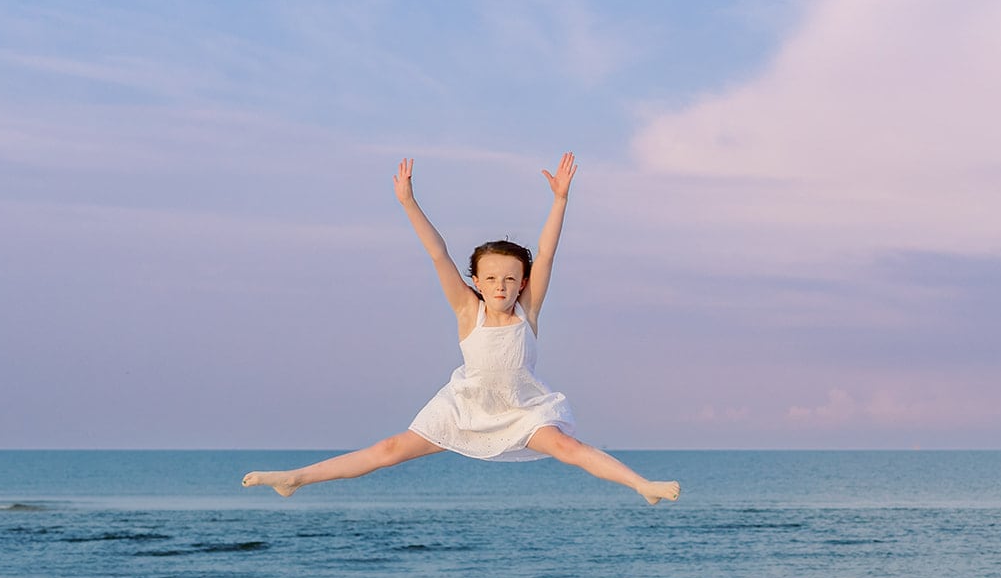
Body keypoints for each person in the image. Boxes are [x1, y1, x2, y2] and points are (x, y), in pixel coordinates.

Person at [242, 153, 681, 505]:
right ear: (476, 282)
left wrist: (560, 200)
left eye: (510, 278)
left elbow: (546, 254)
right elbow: (438, 254)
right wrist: (408, 203)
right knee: (390, 450)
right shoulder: (468, 312)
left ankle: (642, 485)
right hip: (464, 406)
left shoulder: (527, 311)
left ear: (522, 283)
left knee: (571, 449)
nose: (500, 286)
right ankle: (296, 477)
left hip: (521, 408)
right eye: (490, 278)